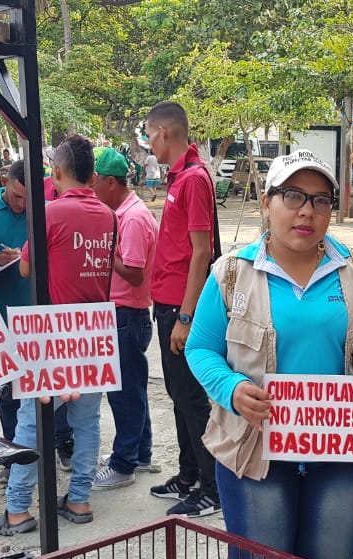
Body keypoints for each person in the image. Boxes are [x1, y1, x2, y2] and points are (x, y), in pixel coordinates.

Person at [185, 150, 353, 559]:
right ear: (266, 202)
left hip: (337, 453)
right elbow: (200, 349)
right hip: (255, 453)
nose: (307, 211)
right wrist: (231, 389)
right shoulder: (230, 273)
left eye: (321, 200)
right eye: (293, 196)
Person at [0, 135, 117, 533]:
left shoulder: (49, 213)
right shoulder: (109, 215)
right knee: (87, 422)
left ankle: (17, 509)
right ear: (94, 176)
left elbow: (28, 269)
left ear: (57, 172)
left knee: (32, 422)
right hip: (95, 331)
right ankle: (80, 499)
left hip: (51, 332)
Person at [0, 159, 74, 471]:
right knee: (9, 393)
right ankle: (12, 454)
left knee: (50, 388)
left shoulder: (44, 210)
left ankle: (60, 442)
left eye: (27, 199)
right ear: (4, 182)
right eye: (16, 196)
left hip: (39, 317)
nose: (21, 204)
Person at [144, 100, 221, 517]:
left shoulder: (193, 180)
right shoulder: (178, 178)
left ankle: (212, 486)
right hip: (168, 302)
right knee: (177, 393)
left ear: (166, 133)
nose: (148, 143)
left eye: (149, 134)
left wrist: (187, 317)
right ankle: (189, 473)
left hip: (181, 306)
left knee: (191, 397)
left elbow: (202, 251)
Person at [90, 147, 161, 490]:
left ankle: (124, 464)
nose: (92, 191)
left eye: (95, 183)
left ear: (110, 182)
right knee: (132, 389)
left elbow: (132, 272)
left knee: (124, 394)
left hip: (127, 313)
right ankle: (140, 453)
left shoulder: (131, 218)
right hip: (126, 314)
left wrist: (102, 253)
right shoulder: (126, 212)